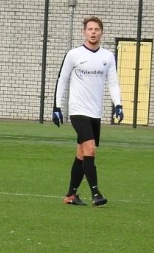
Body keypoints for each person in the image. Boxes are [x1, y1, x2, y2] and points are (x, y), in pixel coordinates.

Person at [52, 16, 122, 207]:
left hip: (95, 112)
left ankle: (71, 195)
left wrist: (118, 104)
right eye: (89, 29)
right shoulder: (74, 54)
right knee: (90, 149)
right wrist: (57, 106)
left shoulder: (107, 57)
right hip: (78, 111)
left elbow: (113, 82)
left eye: (96, 29)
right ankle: (96, 193)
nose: (93, 32)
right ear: (84, 32)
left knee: (83, 154)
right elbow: (62, 79)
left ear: (101, 32)